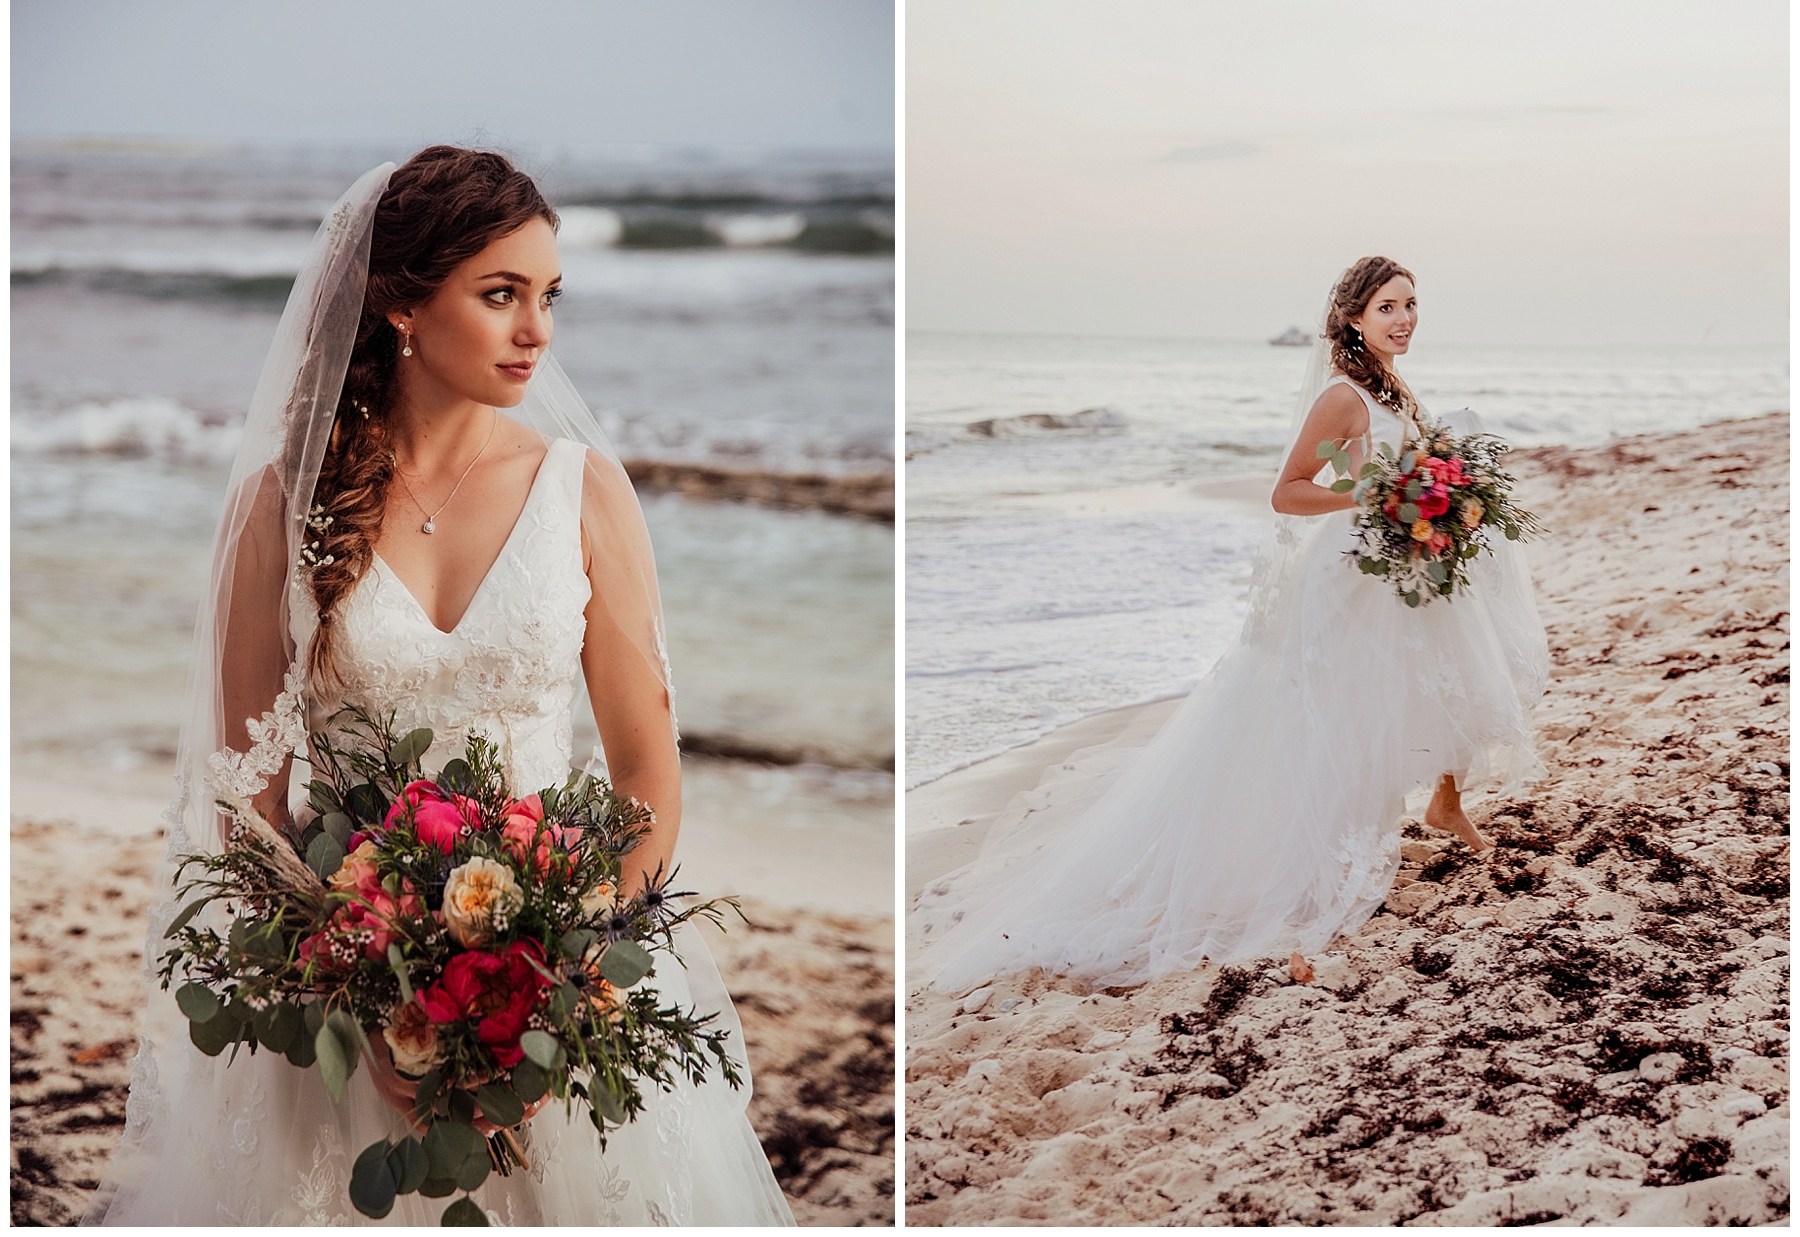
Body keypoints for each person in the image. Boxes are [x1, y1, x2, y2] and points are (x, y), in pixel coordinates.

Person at [83, 148, 795, 1225]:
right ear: (400, 303)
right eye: (500, 294)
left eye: (549, 296)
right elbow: (252, 799)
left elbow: (648, 768)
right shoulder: (283, 506)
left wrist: (571, 976)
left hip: (566, 974)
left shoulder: (584, 492)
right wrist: (375, 1002)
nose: (536, 332)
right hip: (347, 975)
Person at [913, 256, 1549, 994]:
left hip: (1397, 561)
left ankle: (1445, 801)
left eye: (1411, 304)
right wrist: (1374, 499)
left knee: (1435, 678)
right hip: (1352, 572)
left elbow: (1408, 468)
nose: (1403, 318)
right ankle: (1324, 850)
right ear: (1352, 317)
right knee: (1343, 711)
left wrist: (1433, 492)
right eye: (1387, 307)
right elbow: (1289, 493)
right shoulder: (1343, 396)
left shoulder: (1391, 383)